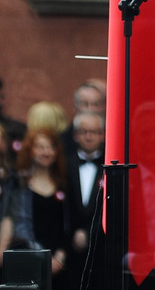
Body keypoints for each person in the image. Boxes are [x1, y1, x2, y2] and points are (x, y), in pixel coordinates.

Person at [0, 128, 71, 289]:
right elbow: (10, 221)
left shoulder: (64, 184)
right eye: (40, 147)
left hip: (58, 262)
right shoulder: (19, 183)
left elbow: (67, 226)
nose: (46, 152)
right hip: (26, 257)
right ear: (30, 150)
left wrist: (59, 259)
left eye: (51, 147)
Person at [64, 111, 105, 290]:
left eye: (94, 132)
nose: (89, 137)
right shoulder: (65, 165)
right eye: (84, 132)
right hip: (69, 252)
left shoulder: (112, 167)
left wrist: (89, 233)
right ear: (75, 135)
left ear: (103, 134)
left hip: (101, 251)